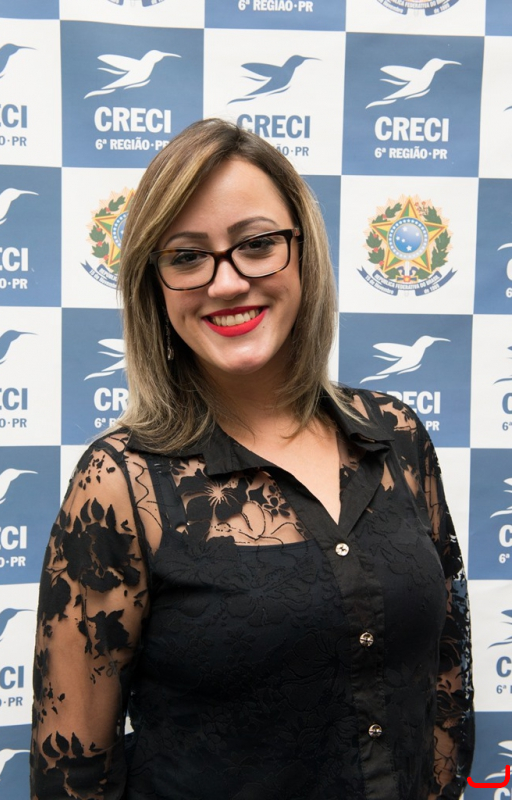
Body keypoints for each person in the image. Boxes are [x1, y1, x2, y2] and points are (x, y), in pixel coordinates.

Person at [31, 118, 474, 800]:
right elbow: (73, 776)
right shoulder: (120, 483)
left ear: (303, 253)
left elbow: (446, 680)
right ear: (155, 286)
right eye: (187, 256)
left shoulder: (396, 436)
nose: (228, 282)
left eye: (258, 244)